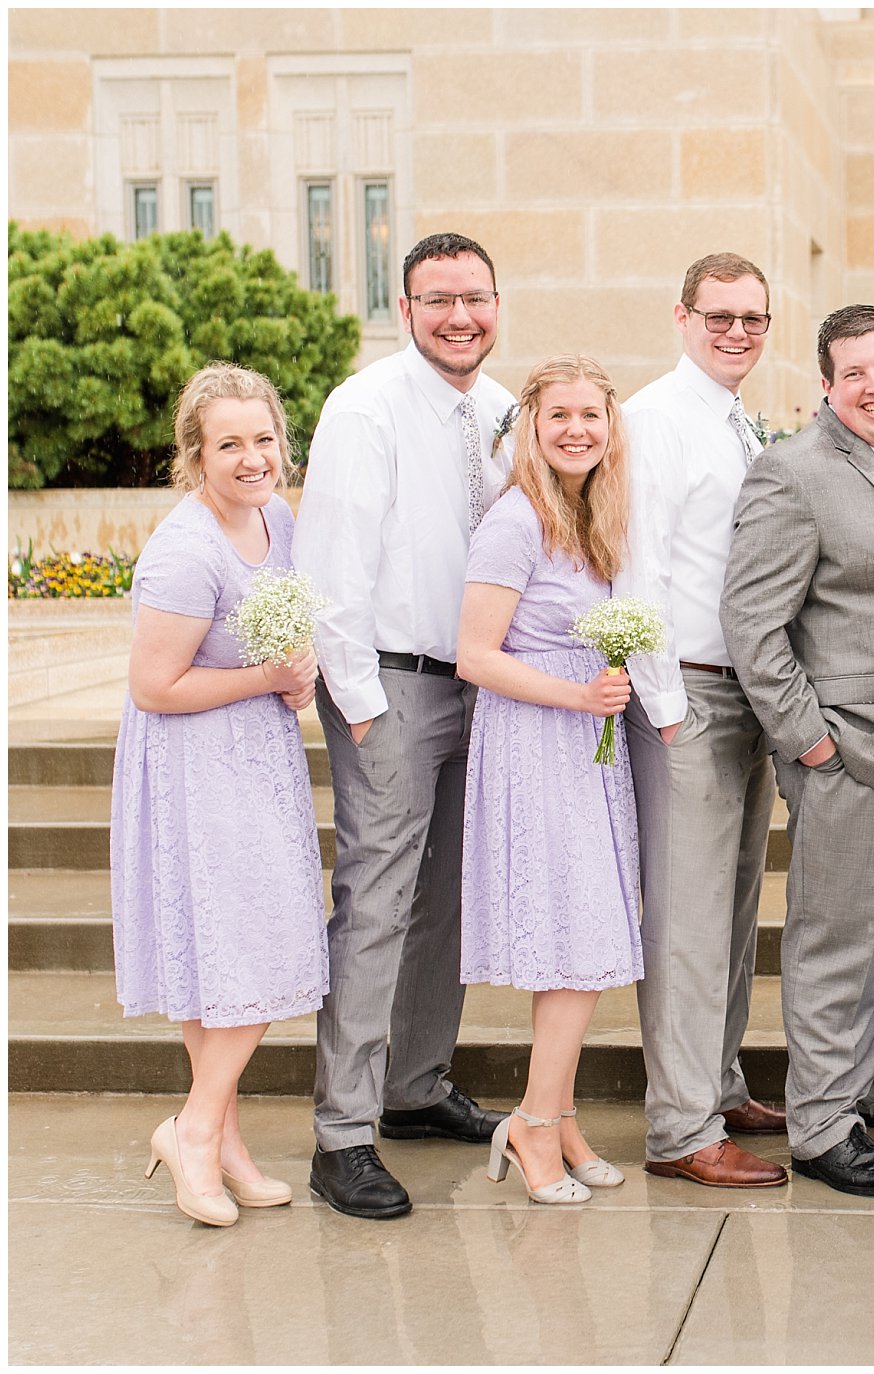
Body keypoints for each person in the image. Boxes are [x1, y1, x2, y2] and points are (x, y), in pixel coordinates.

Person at [721, 304, 874, 1199]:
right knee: (835, 945)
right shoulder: (793, 473)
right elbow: (752, 622)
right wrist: (809, 742)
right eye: (853, 373)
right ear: (826, 384)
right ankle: (823, 1124)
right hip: (852, 749)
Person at [294, 232, 513, 1219]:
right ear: (404, 304)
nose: (460, 316)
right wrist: (359, 702)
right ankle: (341, 1134)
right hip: (392, 683)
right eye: (439, 300)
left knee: (448, 897)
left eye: (475, 297)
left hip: (484, 687)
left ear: (496, 302)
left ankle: (414, 1085)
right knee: (377, 900)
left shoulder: (502, 411)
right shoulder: (366, 407)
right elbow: (330, 561)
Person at [112, 362, 328, 1227]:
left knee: (233, 956)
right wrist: (266, 675)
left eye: (263, 438)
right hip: (194, 771)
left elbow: (277, 642)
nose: (251, 457)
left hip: (257, 761)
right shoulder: (184, 550)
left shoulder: (278, 518)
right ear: (194, 454)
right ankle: (196, 1131)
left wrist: (296, 675)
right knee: (247, 949)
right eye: (229, 443)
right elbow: (154, 687)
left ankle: (224, 1144)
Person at [617, 252, 788, 1191]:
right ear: (681, 316)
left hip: (745, 693)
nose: (735, 332)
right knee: (684, 919)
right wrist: (669, 708)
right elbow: (636, 569)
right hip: (686, 693)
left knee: (729, 910)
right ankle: (680, 1128)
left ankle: (717, 1083)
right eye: (718, 316)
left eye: (752, 319)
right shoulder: (653, 420)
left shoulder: (738, 423)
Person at [456, 353, 643, 1206]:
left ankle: (559, 1117)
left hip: (586, 746)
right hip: (536, 740)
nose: (576, 430)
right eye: (559, 415)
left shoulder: (590, 516)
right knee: (571, 944)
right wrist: (577, 692)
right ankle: (530, 1125)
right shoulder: (517, 521)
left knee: (589, 942)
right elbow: (476, 655)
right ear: (531, 426)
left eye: (591, 417)